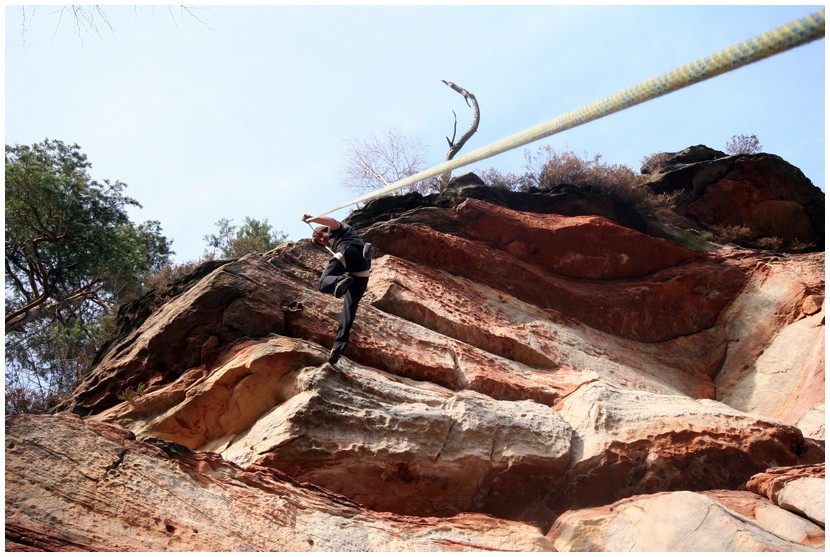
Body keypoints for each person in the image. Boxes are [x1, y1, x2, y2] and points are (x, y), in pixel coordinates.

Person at [301, 213, 373, 364]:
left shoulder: (335, 230)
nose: (322, 239)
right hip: (362, 267)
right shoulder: (335, 240)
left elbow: (332, 221)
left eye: (321, 235)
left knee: (323, 283)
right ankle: (338, 347)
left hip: (348, 251)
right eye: (319, 241)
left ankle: (340, 280)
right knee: (349, 308)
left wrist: (312, 219)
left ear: (324, 230)